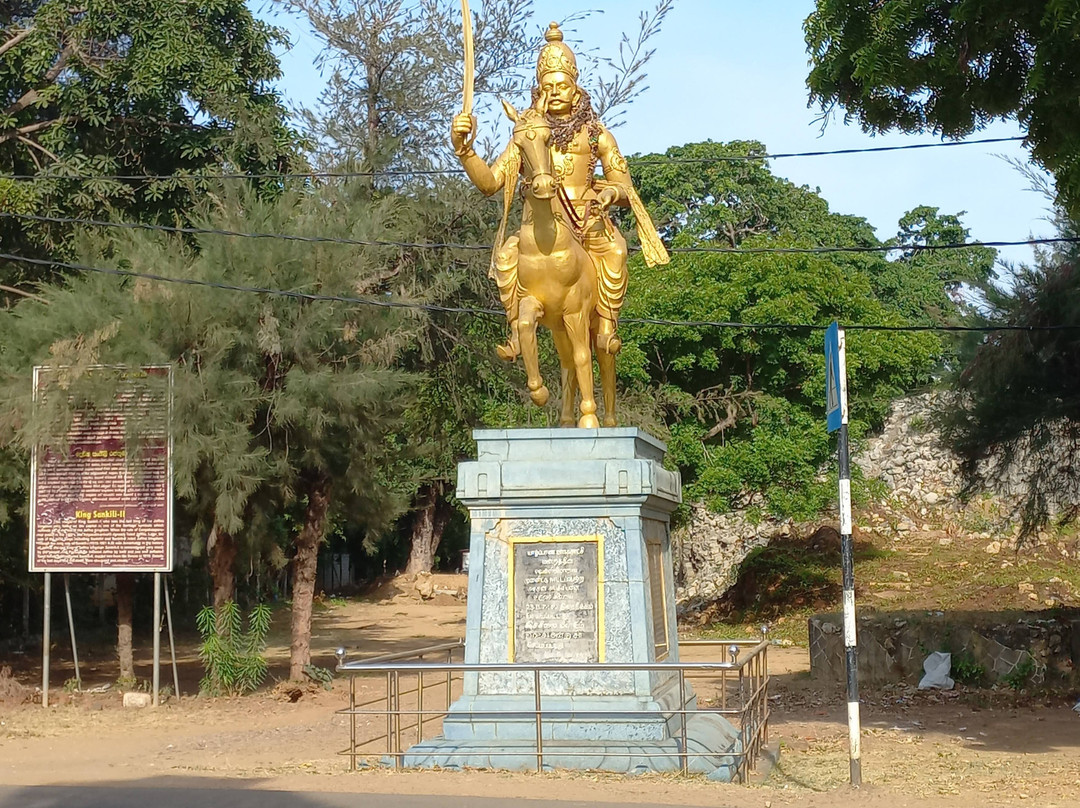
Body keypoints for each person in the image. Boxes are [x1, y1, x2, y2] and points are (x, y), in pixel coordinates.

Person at [450, 21, 668, 360]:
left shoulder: (597, 134)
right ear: (539, 91)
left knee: (616, 250)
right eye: (547, 86)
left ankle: (607, 325)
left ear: (576, 88)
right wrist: (465, 150)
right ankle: (516, 333)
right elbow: (490, 183)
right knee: (508, 257)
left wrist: (611, 194)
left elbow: (624, 185)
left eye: (561, 86)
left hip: (587, 219)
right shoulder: (527, 134)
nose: (554, 92)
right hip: (544, 226)